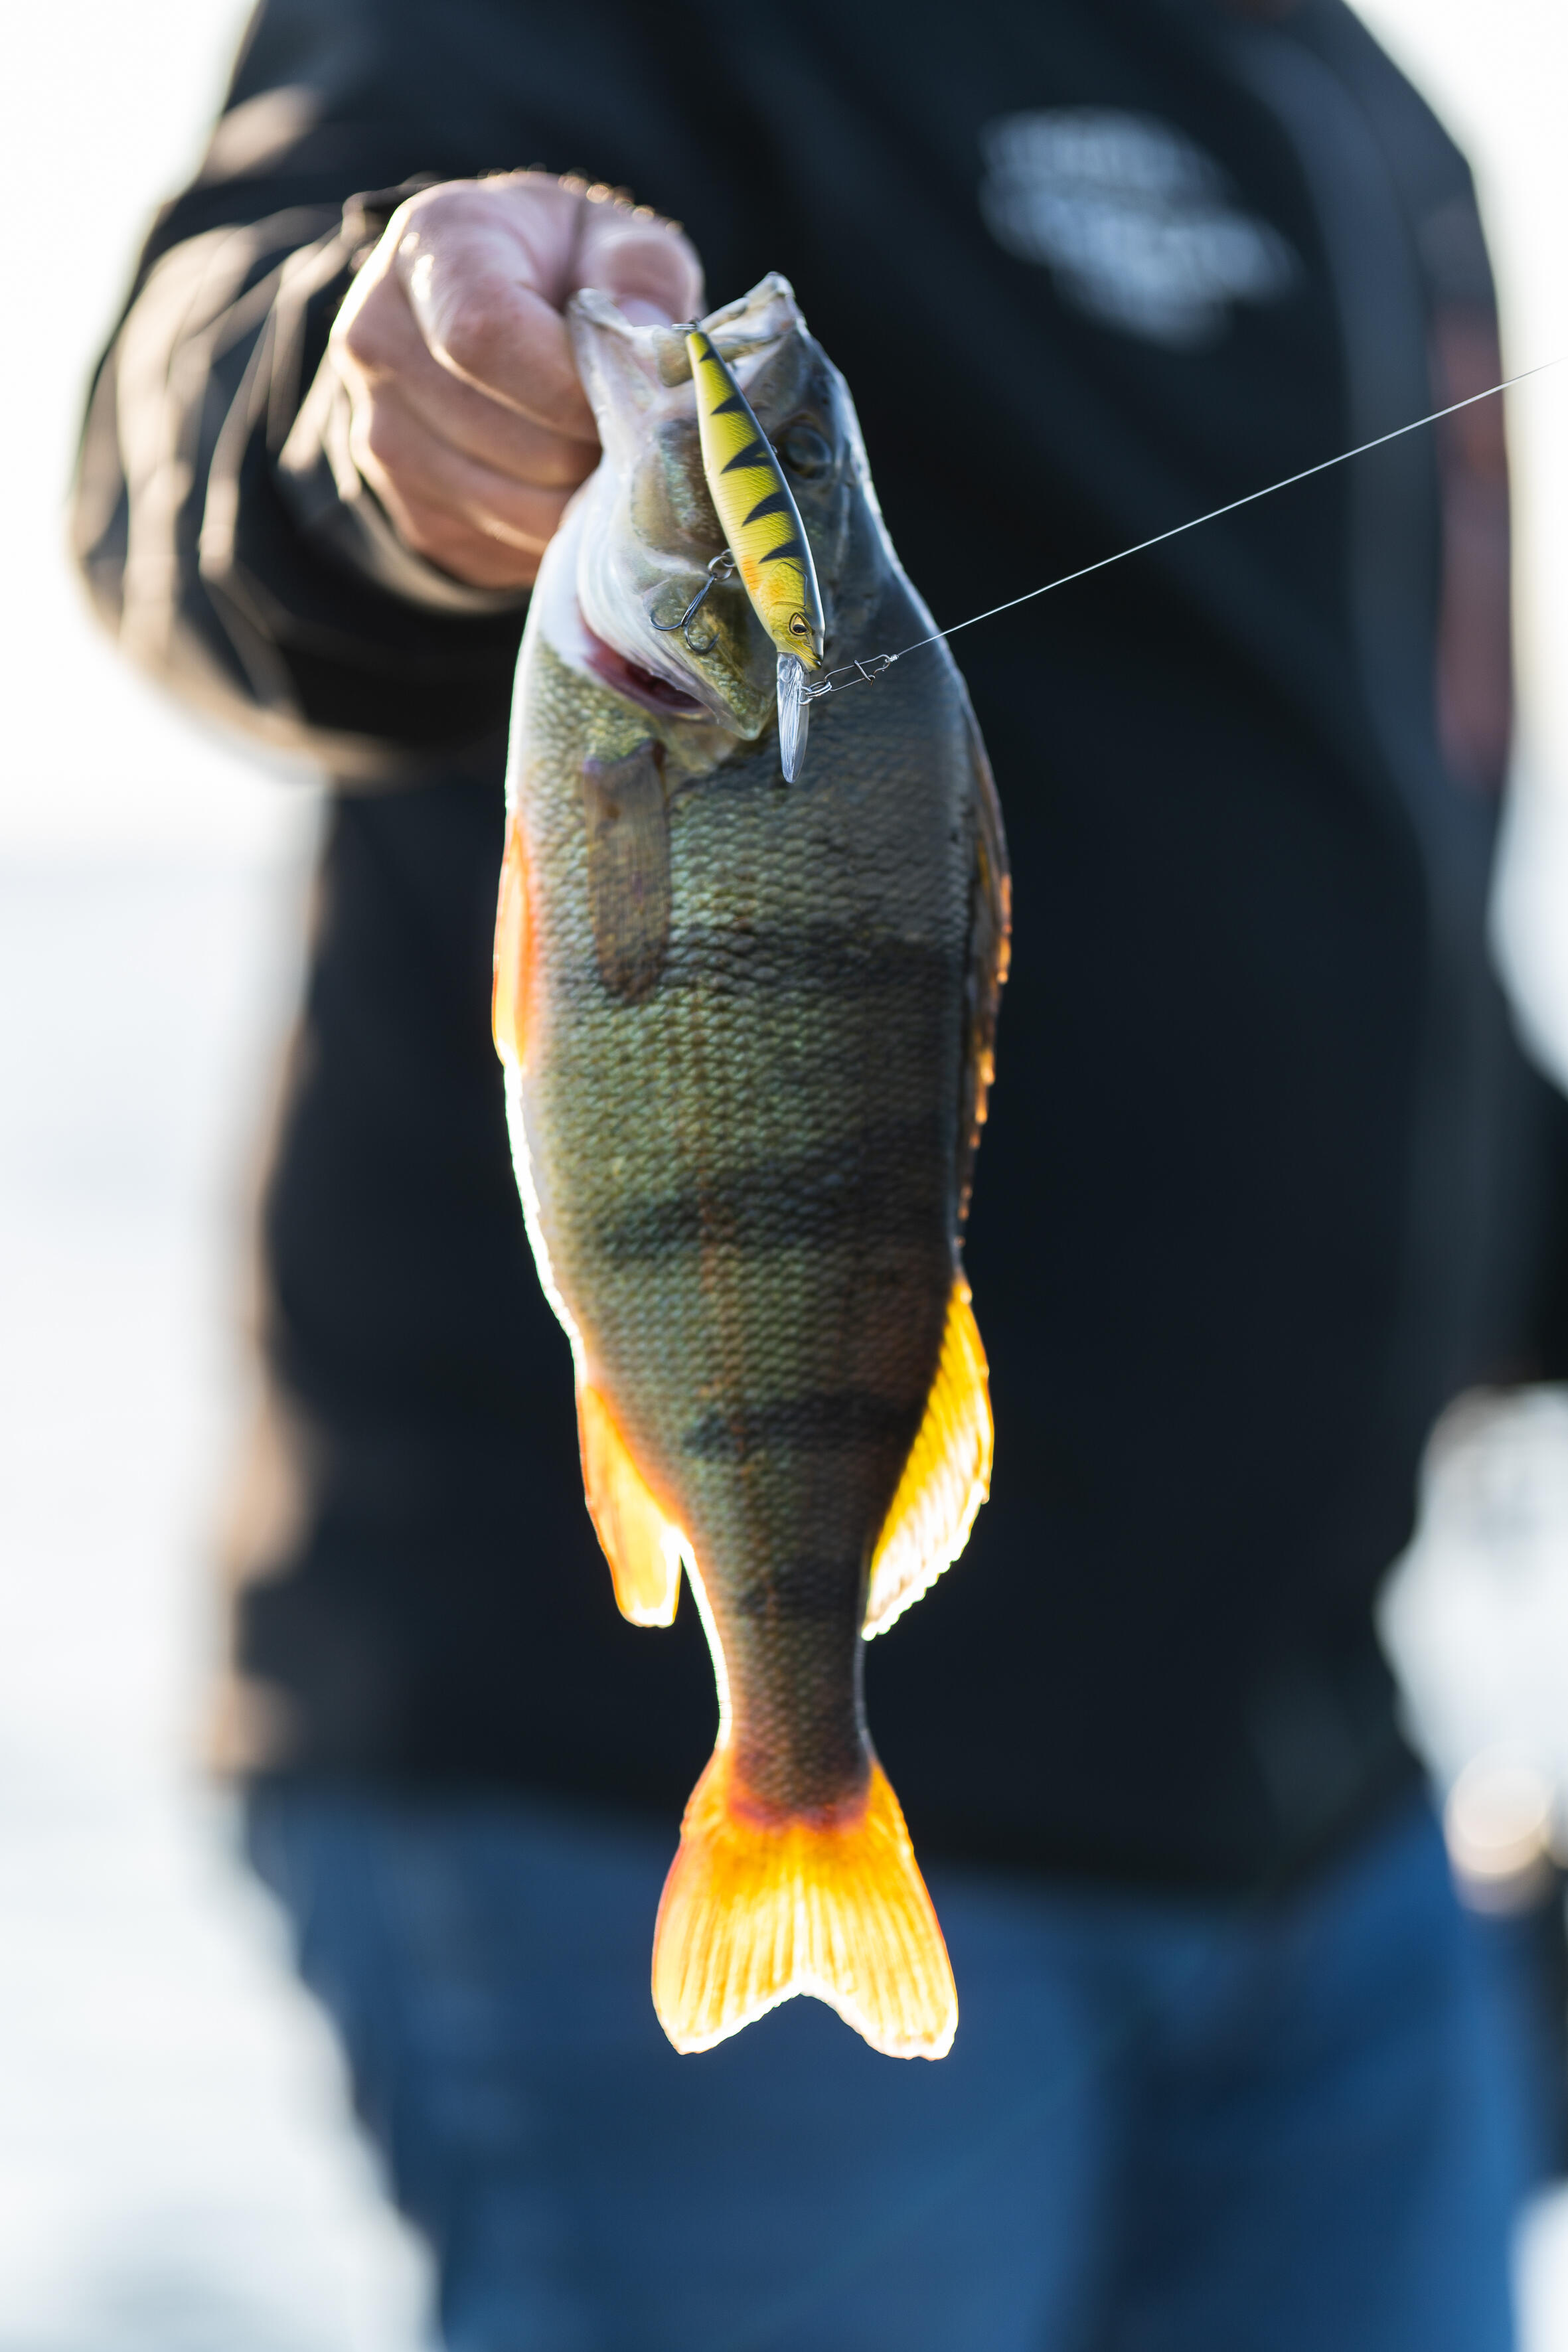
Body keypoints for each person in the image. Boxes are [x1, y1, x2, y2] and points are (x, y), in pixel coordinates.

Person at [74, 1, 1568, 2343]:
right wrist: (386, 426)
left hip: (1323, 1807)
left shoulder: (1351, 108)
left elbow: (1363, 890)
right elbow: (201, 456)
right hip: (588, 1783)